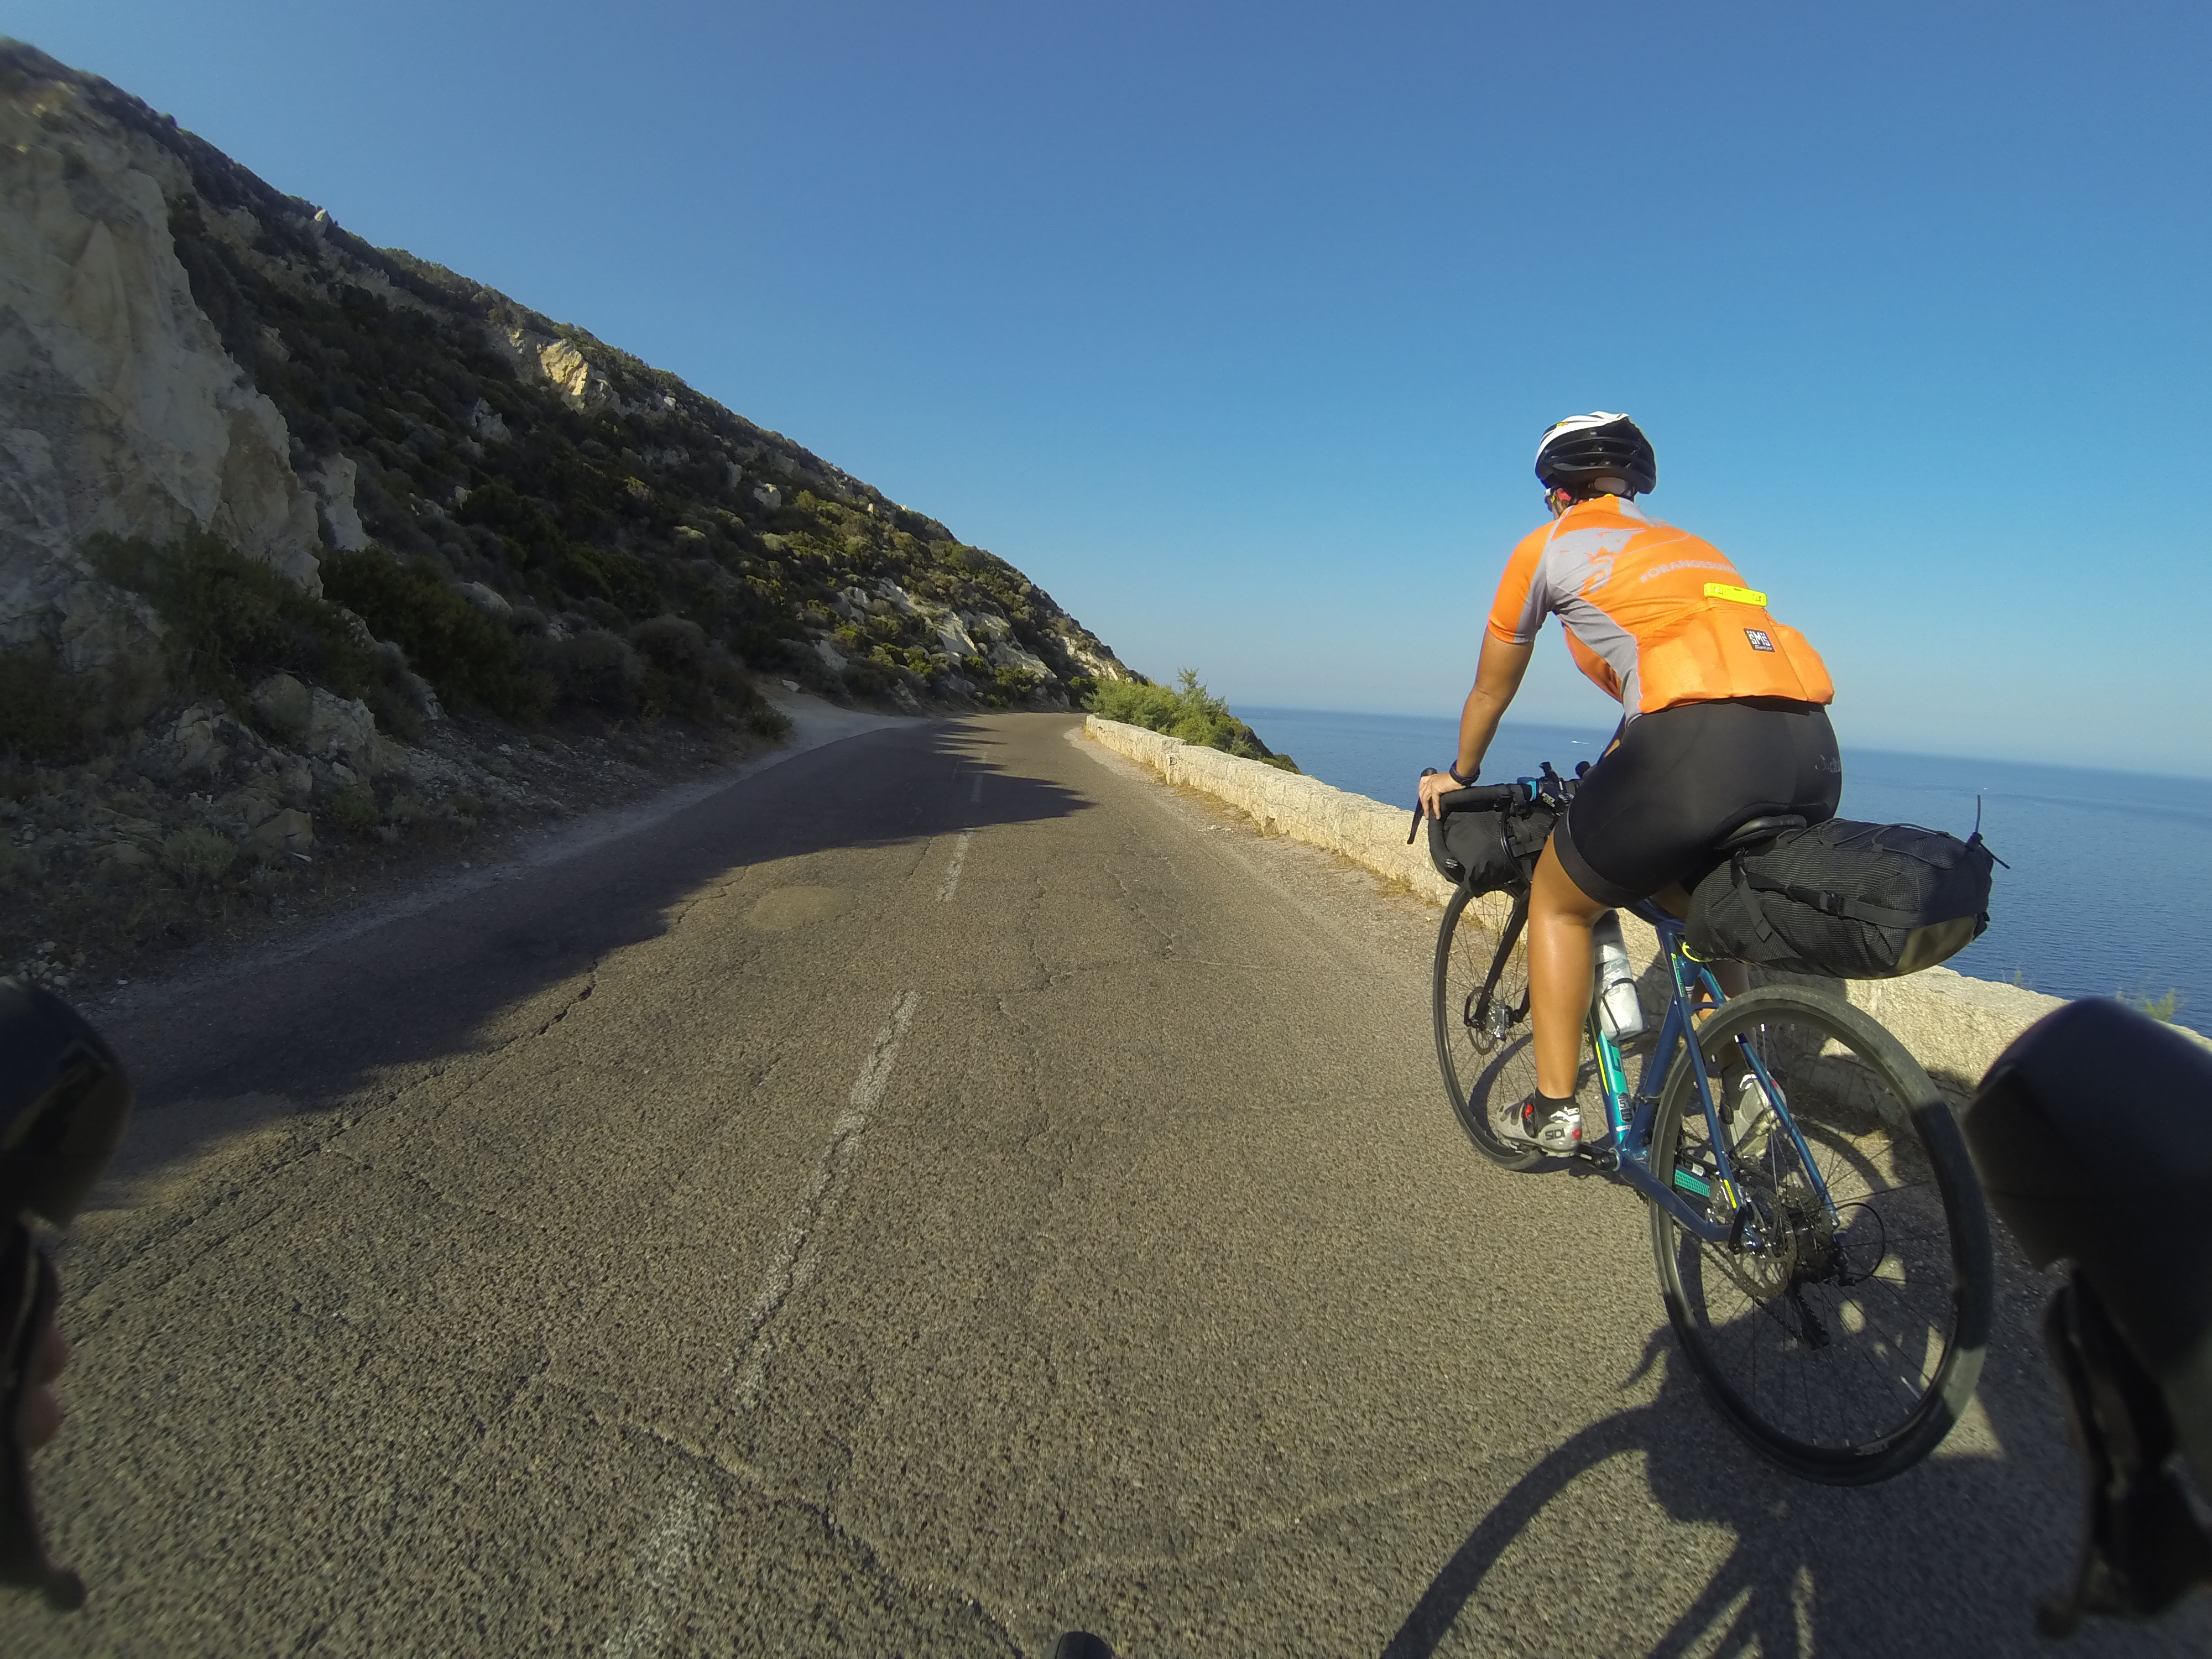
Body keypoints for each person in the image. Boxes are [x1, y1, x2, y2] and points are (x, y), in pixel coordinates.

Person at [1418, 413, 1841, 1152]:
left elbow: (1491, 691)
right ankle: (1745, 1083)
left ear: (1556, 492)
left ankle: (1554, 1111)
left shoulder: (1546, 548)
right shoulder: (1694, 549)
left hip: (1698, 750)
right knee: (1696, 900)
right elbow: (1684, 683)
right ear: (1632, 484)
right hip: (1809, 751)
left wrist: (1457, 775)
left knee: (1557, 899)